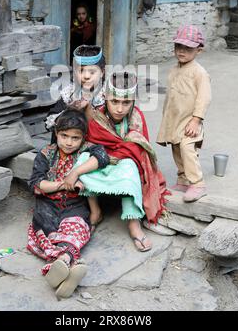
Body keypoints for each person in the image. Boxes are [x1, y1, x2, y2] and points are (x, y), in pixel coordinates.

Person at [63, 71, 171, 252]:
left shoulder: (136, 117)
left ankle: (133, 222)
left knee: (130, 167)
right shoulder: (98, 116)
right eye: (115, 102)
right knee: (83, 158)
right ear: (105, 97)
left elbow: (135, 149)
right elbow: (91, 144)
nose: (120, 109)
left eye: (126, 103)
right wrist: (101, 158)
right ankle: (95, 211)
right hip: (102, 160)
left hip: (124, 162)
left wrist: (107, 158)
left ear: (133, 101)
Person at [27, 108, 110, 299]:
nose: (69, 142)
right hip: (47, 205)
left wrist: (76, 172)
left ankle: (60, 265)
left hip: (75, 205)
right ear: (56, 133)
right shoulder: (46, 154)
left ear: (83, 138)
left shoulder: (86, 150)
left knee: (77, 227)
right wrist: (62, 184)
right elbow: (36, 184)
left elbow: (103, 157)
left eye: (75, 138)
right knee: (47, 233)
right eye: (64, 136)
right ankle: (66, 264)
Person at [46, 45, 106, 231]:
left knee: (88, 160)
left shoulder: (107, 94)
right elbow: (51, 121)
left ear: (102, 72)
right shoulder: (69, 92)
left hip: (95, 144)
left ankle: (93, 208)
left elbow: (110, 126)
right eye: (81, 71)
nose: (86, 76)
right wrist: (69, 112)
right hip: (70, 143)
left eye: (91, 71)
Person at [156, 25, 212, 202]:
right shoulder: (174, 70)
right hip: (174, 119)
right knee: (176, 148)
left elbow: (204, 98)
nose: (182, 51)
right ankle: (183, 179)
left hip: (190, 121)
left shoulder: (199, 73)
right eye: (179, 47)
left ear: (199, 50)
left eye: (188, 48)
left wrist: (196, 120)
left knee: (188, 149)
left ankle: (197, 183)